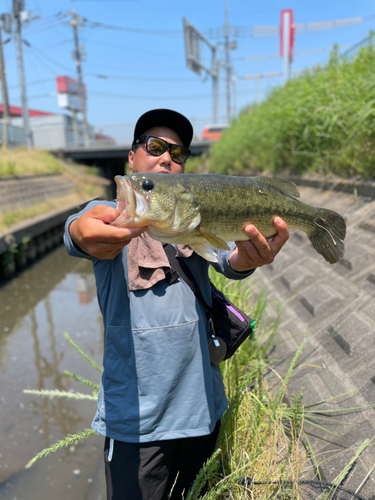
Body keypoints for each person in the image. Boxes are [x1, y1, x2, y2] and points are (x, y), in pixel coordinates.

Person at [64, 109, 289, 500]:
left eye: (179, 153)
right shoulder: (114, 218)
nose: (168, 157)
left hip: (204, 410)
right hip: (136, 426)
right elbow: (82, 226)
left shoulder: (190, 221)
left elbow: (229, 260)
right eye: (154, 146)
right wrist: (78, 231)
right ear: (131, 159)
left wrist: (247, 260)